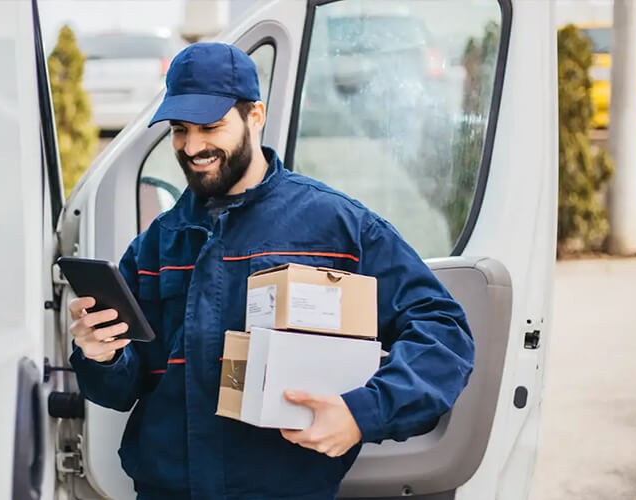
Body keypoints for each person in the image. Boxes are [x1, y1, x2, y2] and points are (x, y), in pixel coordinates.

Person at [69, 42, 474, 500]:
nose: (193, 145)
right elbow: (123, 389)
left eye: (210, 126)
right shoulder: (157, 244)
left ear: (255, 116)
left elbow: (444, 331)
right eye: (180, 130)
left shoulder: (336, 226)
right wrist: (101, 357)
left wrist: (363, 412)